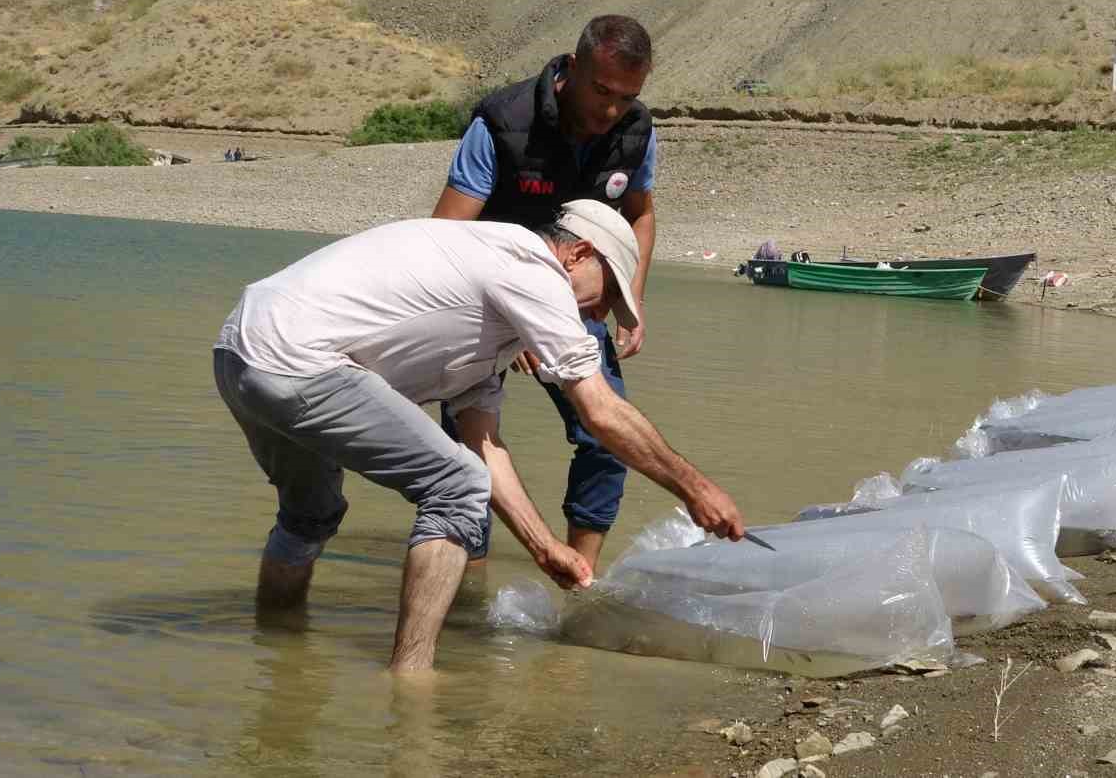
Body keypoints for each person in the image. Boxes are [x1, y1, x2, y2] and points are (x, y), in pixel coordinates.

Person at [213, 199, 746, 674]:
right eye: (606, 294)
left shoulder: (493, 315)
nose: (601, 314)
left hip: (240, 353)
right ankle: (411, 682)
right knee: (455, 488)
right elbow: (600, 411)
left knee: (312, 514)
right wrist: (696, 489)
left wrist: (543, 547)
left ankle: (277, 652)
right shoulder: (530, 266)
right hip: (298, 358)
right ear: (578, 253)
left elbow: (483, 442)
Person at [431, 14, 658, 569]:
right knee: (466, 452)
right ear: (573, 67)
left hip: (574, 299)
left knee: (609, 436)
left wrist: (630, 296)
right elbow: (445, 235)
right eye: (601, 91)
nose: (611, 110)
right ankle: (468, 579)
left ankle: (579, 578)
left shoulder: (635, 130)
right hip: (483, 302)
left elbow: (641, 215)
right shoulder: (503, 123)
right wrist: (520, 317)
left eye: (626, 97)